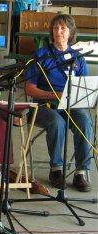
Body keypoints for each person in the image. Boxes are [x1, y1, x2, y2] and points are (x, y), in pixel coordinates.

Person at [24, 14, 92, 192]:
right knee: (57, 122)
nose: (58, 31)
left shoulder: (78, 57)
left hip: (70, 105)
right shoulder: (41, 55)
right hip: (43, 105)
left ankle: (81, 172)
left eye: (63, 28)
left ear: (71, 32)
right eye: (55, 28)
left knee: (85, 121)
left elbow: (84, 87)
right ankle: (56, 169)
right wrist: (53, 94)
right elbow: (29, 89)